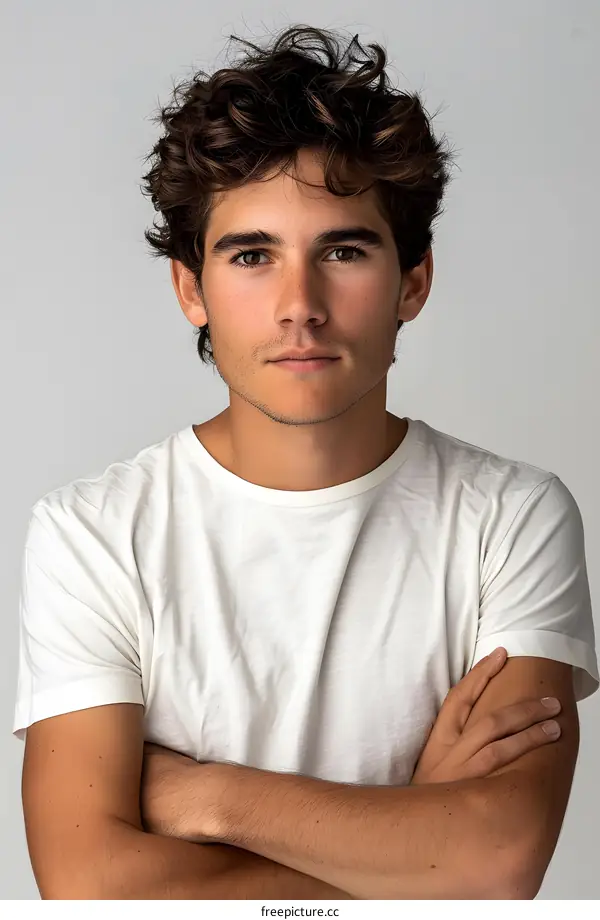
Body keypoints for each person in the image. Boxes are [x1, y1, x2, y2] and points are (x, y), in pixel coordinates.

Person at [14, 25, 597, 900]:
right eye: (252, 256)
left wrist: (203, 794)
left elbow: (498, 860)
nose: (300, 307)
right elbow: (91, 887)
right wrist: (412, 838)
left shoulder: (511, 517)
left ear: (413, 282)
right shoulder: (91, 534)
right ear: (190, 290)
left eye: (344, 251)